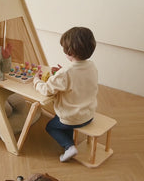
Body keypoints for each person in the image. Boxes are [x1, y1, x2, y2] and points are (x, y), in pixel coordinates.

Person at [33, 27, 98, 162]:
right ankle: (69, 142)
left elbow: (46, 90)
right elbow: (77, 80)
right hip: (89, 114)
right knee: (64, 121)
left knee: (51, 127)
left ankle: (69, 146)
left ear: (69, 51)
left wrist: (36, 81)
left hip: (72, 117)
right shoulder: (91, 66)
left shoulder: (66, 73)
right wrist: (61, 72)